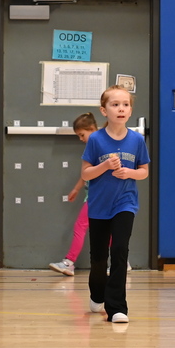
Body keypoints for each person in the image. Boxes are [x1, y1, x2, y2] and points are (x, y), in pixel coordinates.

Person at [81, 85, 150, 323]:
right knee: (99, 258)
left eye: (125, 104)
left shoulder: (137, 140)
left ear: (130, 110)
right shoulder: (96, 140)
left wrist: (129, 173)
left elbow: (144, 171)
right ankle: (97, 294)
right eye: (115, 104)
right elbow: (86, 173)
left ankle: (117, 308)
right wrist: (105, 166)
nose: (121, 109)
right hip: (99, 206)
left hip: (125, 203)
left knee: (120, 250)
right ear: (104, 110)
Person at [49, 113, 99, 277]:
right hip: (95, 196)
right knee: (108, 230)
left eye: (82, 135)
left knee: (80, 226)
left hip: (97, 197)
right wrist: (77, 189)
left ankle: (69, 262)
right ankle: (122, 262)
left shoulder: (98, 146)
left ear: (92, 129)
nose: (80, 139)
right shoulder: (95, 146)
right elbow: (86, 173)